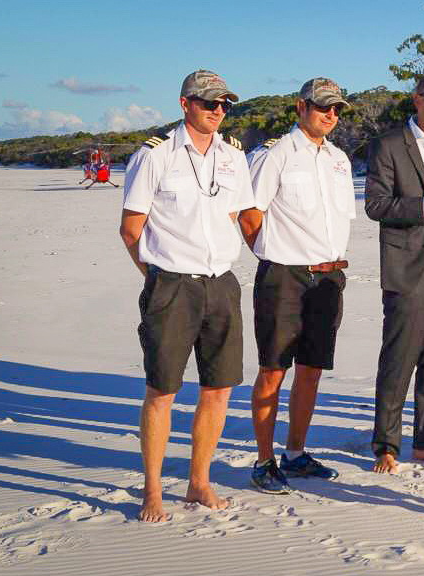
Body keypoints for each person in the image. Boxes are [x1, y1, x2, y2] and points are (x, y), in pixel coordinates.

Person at [119, 70, 254, 522]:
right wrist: (157, 275)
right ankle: (152, 490)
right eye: (208, 102)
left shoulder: (235, 157)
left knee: (219, 389)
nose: (217, 111)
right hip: (171, 285)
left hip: (222, 283)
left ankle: (199, 483)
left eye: (225, 104)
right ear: (185, 104)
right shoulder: (154, 156)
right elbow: (131, 228)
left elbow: (233, 213)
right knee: (162, 391)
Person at [239, 78, 354, 493]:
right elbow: (249, 213)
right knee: (273, 370)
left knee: (311, 370)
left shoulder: (339, 159)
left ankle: (296, 453)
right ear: (300, 107)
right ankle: (264, 461)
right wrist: (272, 253)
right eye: (323, 107)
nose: (331, 115)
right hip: (284, 276)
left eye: (337, 108)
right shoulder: (275, 154)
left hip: (328, 278)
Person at [365, 73, 424, 473]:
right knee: (399, 358)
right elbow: (376, 205)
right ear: (417, 100)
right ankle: (386, 443)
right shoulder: (389, 145)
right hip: (408, 266)